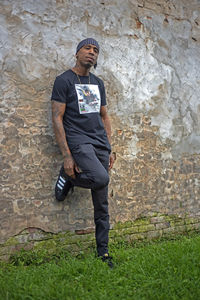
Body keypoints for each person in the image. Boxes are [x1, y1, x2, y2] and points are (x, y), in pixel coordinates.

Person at [51, 38, 115, 267]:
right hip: (79, 142)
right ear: (77, 53)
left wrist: (109, 148)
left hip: (99, 144)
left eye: (96, 50)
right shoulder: (64, 80)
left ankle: (103, 253)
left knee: (102, 204)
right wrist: (68, 156)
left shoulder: (98, 83)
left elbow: (105, 116)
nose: (92, 52)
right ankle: (68, 175)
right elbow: (57, 118)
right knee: (100, 178)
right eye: (87, 48)